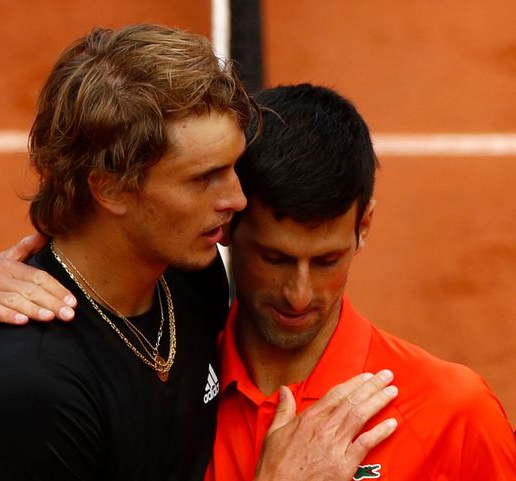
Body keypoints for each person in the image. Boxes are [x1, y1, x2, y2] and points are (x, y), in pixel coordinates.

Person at [0, 27, 398, 481]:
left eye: (232, 167)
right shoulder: (33, 389)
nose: (235, 200)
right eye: (204, 178)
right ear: (111, 188)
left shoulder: (190, 275)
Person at [208, 84, 516, 480]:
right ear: (228, 223)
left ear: (363, 226)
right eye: (275, 258)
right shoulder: (161, 393)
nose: (299, 295)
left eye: (326, 261)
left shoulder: (455, 414)